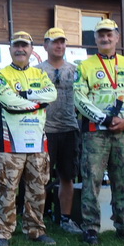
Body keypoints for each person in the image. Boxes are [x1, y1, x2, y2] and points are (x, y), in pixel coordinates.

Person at [73, 19, 124, 245]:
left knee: (123, 179)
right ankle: (90, 228)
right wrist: (103, 118)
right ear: (95, 39)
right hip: (95, 132)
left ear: (117, 37)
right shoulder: (85, 66)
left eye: (109, 34)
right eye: (101, 35)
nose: (105, 38)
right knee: (91, 180)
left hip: (123, 132)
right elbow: (79, 98)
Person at [0, 31, 57, 246]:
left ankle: (35, 229)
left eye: (24, 46)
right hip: (10, 144)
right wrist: (37, 102)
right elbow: (9, 101)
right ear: (10, 49)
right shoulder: (1, 75)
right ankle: (2, 232)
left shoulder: (40, 74)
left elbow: (52, 94)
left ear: (31, 50)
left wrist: (25, 96)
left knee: (37, 188)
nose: (20, 49)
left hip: (37, 143)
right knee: (6, 189)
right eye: (16, 46)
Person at [35, 27, 83, 235]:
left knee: (67, 176)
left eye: (62, 42)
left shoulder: (75, 70)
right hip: (44, 130)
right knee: (40, 177)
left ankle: (65, 218)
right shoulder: (36, 71)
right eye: (55, 42)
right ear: (45, 45)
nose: (59, 45)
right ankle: (37, 219)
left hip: (69, 128)